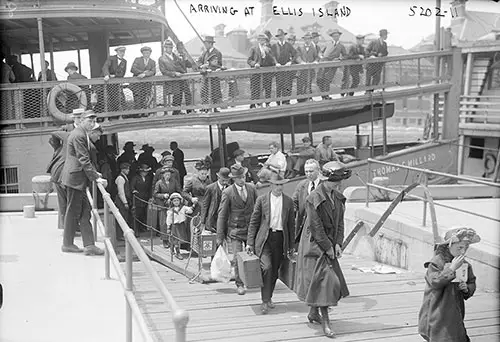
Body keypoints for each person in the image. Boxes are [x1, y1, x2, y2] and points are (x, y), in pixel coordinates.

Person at [295, 161, 351, 339]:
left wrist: (338, 244)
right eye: (335, 181)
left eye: (339, 181)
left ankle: (313, 313)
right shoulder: (314, 198)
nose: (338, 184)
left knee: (319, 282)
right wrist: (328, 248)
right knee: (325, 282)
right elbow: (316, 227)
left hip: (329, 244)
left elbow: (340, 223)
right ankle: (326, 322)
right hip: (314, 246)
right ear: (326, 180)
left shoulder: (338, 197)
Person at [418, 227, 480, 342]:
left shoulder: (464, 264)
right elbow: (434, 282)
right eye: (460, 248)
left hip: (455, 310)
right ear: (449, 245)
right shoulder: (437, 262)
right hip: (437, 310)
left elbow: (471, 281)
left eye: (466, 248)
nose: (463, 251)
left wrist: (466, 289)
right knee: (441, 335)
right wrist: (451, 269)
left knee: (457, 335)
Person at [247, 173, 295, 314]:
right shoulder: (262, 200)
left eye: (281, 185)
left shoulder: (288, 201)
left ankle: (268, 298)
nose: (279, 187)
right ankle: (264, 300)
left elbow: (291, 225)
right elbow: (254, 222)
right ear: (271, 185)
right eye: (276, 185)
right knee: (266, 267)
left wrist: (291, 246)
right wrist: (250, 243)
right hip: (265, 239)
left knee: (274, 270)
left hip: (280, 239)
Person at [60, 110, 106, 255]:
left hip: (78, 178)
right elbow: (83, 159)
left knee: (85, 211)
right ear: (81, 120)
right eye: (89, 121)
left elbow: (85, 160)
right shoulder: (79, 135)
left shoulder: (81, 133)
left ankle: (89, 245)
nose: (92, 124)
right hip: (75, 179)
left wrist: (94, 173)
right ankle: (67, 244)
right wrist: (95, 177)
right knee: (73, 211)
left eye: (93, 122)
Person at [217, 164, 258, 295]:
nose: (242, 179)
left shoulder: (252, 189)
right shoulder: (228, 192)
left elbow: (258, 209)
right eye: (239, 177)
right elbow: (222, 215)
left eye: (243, 176)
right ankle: (239, 284)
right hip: (235, 230)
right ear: (234, 179)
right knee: (236, 257)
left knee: (253, 256)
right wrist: (220, 236)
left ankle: (252, 281)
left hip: (251, 230)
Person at [158, 40, 193, 115]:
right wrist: (174, 73)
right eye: (167, 47)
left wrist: (184, 58)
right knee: (177, 95)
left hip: (181, 78)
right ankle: (176, 111)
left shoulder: (176, 56)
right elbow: (163, 71)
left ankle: (189, 110)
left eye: (170, 47)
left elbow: (186, 65)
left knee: (187, 93)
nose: (169, 49)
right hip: (172, 79)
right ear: (165, 48)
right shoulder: (161, 59)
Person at [292, 159, 322, 245]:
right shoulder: (301, 185)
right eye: (306, 171)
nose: (308, 174)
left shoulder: (324, 186)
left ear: (318, 171)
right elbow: (294, 203)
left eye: (311, 171)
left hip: (319, 228)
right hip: (303, 227)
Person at [153, 168, 183, 248]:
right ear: (163, 175)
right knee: (163, 223)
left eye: (169, 174)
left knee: (174, 222)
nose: (167, 176)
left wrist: (175, 196)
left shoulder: (174, 182)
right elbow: (155, 194)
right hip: (163, 205)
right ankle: (165, 240)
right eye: (166, 174)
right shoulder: (159, 183)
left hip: (172, 205)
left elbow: (179, 191)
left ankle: (174, 240)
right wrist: (163, 196)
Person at [47, 130, 70, 230]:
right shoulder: (65, 145)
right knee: (67, 202)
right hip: (61, 177)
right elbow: (56, 133)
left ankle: (65, 226)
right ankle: (68, 227)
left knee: (63, 203)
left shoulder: (59, 149)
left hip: (57, 176)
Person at [248, 34, 276, 108]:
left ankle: (267, 103)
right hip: (256, 72)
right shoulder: (253, 49)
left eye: (263, 40)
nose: (262, 41)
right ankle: (254, 104)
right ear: (258, 40)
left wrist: (267, 53)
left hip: (266, 72)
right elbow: (249, 60)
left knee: (267, 87)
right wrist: (255, 64)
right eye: (260, 40)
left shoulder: (268, 49)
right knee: (255, 88)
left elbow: (272, 61)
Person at [317, 29, 346, 99]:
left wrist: (339, 59)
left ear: (339, 37)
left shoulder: (341, 46)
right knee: (320, 79)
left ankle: (326, 95)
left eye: (337, 36)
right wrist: (321, 56)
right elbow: (321, 52)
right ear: (332, 37)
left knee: (327, 79)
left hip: (333, 65)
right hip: (324, 63)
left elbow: (345, 55)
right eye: (334, 36)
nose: (336, 37)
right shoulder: (328, 44)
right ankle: (323, 95)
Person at [200, 167, 230, 233]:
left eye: (227, 180)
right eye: (223, 180)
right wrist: (202, 221)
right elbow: (205, 205)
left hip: (226, 219)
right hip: (213, 218)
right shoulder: (210, 188)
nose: (225, 182)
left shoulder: (230, 188)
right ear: (218, 178)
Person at [198, 36, 223, 112]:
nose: (205, 45)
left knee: (214, 92)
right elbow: (199, 61)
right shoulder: (204, 53)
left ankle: (214, 108)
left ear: (210, 44)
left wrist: (210, 68)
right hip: (206, 77)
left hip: (214, 77)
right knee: (205, 92)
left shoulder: (217, 53)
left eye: (206, 43)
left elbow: (219, 65)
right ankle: (205, 107)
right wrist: (201, 66)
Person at [271, 29, 296, 105]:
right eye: (279, 36)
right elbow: (272, 56)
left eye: (281, 35)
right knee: (279, 85)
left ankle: (286, 101)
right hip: (279, 69)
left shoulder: (288, 45)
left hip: (287, 69)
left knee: (288, 85)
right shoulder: (274, 46)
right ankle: (278, 102)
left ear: (284, 36)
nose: (280, 37)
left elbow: (295, 54)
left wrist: (290, 62)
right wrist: (276, 63)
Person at [166, 192, 194, 260]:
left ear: (180, 201)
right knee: (175, 240)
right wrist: (168, 227)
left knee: (179, 239)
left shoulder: (183, 208)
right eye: (174, 201)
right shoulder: (171, 210)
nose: (176, 202)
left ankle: (174, 250)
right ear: (172, 202)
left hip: (181, 225)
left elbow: (189, 211)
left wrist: (193, 206)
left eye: (177, 200)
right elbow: (168, 219)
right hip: (174, 226)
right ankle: (177, 252)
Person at [100, 46, 127, 112]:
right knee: (103, 98)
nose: (122, 53)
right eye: (120, 51)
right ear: (117, 52)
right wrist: (107, 75)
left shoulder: (124, 61)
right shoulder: (111, 58)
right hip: (106, 81)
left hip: (115, 83)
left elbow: (122, 73)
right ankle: (101, 114)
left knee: (116, 98)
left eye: (123, 52)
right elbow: (105, 67)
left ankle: (115, 113)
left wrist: (115, 76)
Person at [130, 46, 156, 111]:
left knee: (144, 99)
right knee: (137, 99)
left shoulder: (152, 62)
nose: (146, 54)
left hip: (146, 85)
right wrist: (142, 72)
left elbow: (153, 71)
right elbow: (133, 69)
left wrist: (144, 74)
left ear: (150, 53)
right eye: (145, 53)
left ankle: (144, 113)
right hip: (137, 85)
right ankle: (137, 114)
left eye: (148, 53)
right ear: (142, 53)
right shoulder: (137, 59)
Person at [296, 33, 319, 103]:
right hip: (301, 70)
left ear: (311, 39)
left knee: (308, 84)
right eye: (305, 39)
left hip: (310, 70)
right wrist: (301, 62)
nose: (307, 40)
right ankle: (299, 100)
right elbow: (297, 56)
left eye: (309, 39)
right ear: (304, 40)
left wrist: (315, 61)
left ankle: (308, 98)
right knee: (300, 85)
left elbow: (317, 56)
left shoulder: (313, 48)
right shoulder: (300, 47)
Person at [130, 164, 153, 234]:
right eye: (144, 172)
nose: (145, 173)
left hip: (145, 198)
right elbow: (132, 186)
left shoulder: (148, 178)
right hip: (137, 198)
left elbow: (150, 188)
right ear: (140, 172)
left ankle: (142, 227)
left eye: (146, 172)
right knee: (137, 214)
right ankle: (136, 229)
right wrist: (134, 191)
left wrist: (150, 196)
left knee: (143, 214)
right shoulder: (135, 178)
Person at [115, 162, 132, 240]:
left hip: (124, 199)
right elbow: (121, 192)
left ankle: (122, 234)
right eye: (127, 169)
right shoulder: (120, 178)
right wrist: (125, 202)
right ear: (123, 170)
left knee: (125, 217)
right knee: (121, 217)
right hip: (120, 201)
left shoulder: (124, 177)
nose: (128, 170)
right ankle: (119, 235)